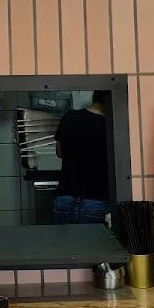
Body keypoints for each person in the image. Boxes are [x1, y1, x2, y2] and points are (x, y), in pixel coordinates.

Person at [52, 91, 110, 224]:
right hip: (97, 202)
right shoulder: (110, 126)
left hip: (64, 200)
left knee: (65, 239)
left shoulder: (69, 116)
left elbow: (59, 152)